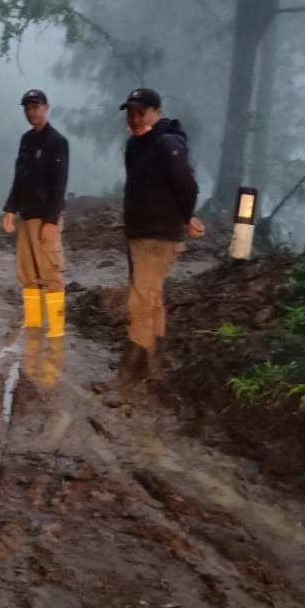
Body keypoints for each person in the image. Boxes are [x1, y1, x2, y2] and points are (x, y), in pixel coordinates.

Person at [117, 87, 204, 385]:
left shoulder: (168, 142)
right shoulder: (135, 145)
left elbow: (187, 185)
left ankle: (129, 374)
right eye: (131, 112)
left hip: (161, 234)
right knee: (151, 297)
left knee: (139, 301)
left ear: (157, 112)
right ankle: (153, 363)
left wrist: (186, 215)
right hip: (139, 231)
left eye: (142, 112)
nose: (135, 117)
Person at [1, 88, 70, 337]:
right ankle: (33, 320)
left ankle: (56, 326)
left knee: (50, 271)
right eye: (27, 108)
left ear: (46, 107)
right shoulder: (26, 140)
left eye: (36, 107)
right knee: (27, 271)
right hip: (27, 215)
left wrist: (51, 220)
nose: (31, 112)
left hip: (45, 217)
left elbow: (59, 184)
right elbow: (19, 178)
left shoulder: (57, 142)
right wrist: (10, 209)